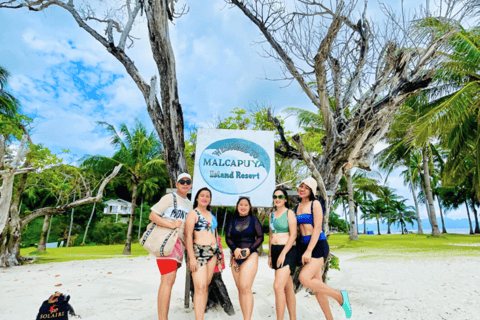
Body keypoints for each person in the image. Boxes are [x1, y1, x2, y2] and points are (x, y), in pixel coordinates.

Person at [295, 177, 352, 319]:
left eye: (306, 187)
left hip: (317, 246)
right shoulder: (297, 207)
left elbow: (318, 228)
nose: (302, 189)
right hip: (305, 246)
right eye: (301, 186)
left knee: (304, 278)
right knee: (318, 288)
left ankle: (340, 296)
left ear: (312, 191)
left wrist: (309, 251)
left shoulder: (315, 204)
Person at [148, 173, 193, 320]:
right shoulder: (169, 198)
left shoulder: (190, 204)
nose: (185, 184)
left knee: (170, 280)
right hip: (168, 241)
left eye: (188, 182)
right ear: (176, 183)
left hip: (179, 245)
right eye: (182, 182)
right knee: (168, 280)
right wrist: (171, 224)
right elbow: (153, 215)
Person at [185, 187, 222, 320]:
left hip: (212, 253)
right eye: (202, 195)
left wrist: (219, 255)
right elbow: (188, 236)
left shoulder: (211, 215)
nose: (205, 198)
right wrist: (192, 258)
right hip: (198, 252)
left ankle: (201, 316)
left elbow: (215, 234)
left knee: (205, 286)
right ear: (197, 198)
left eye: (207, 196)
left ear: (210, 199)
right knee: (199, 286)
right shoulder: (193, 214)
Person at [225, 196, 264, 320]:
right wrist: (235, 249)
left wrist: (250, 249)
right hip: (235, 256)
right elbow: (228, 238)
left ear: (249, 207)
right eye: (241, 204)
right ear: (237, 207)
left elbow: (260, 237)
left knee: (245, 287)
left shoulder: (254, 220)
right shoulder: (232, 221)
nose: (243, 207)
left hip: (250, 255)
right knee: (240, 289)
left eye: (246, 205)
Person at [268, 188, 297, 320]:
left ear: (285, 199)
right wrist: (269, 255)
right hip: (275, 250)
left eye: (280, 196)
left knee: (277, 286)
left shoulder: (289, 213)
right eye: (275, 196)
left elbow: (293, 235)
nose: (277, 199)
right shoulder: (271, 215)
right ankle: (293, 317)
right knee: (287, 287)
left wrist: (283, 253)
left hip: (287, 250)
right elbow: (271, 236)